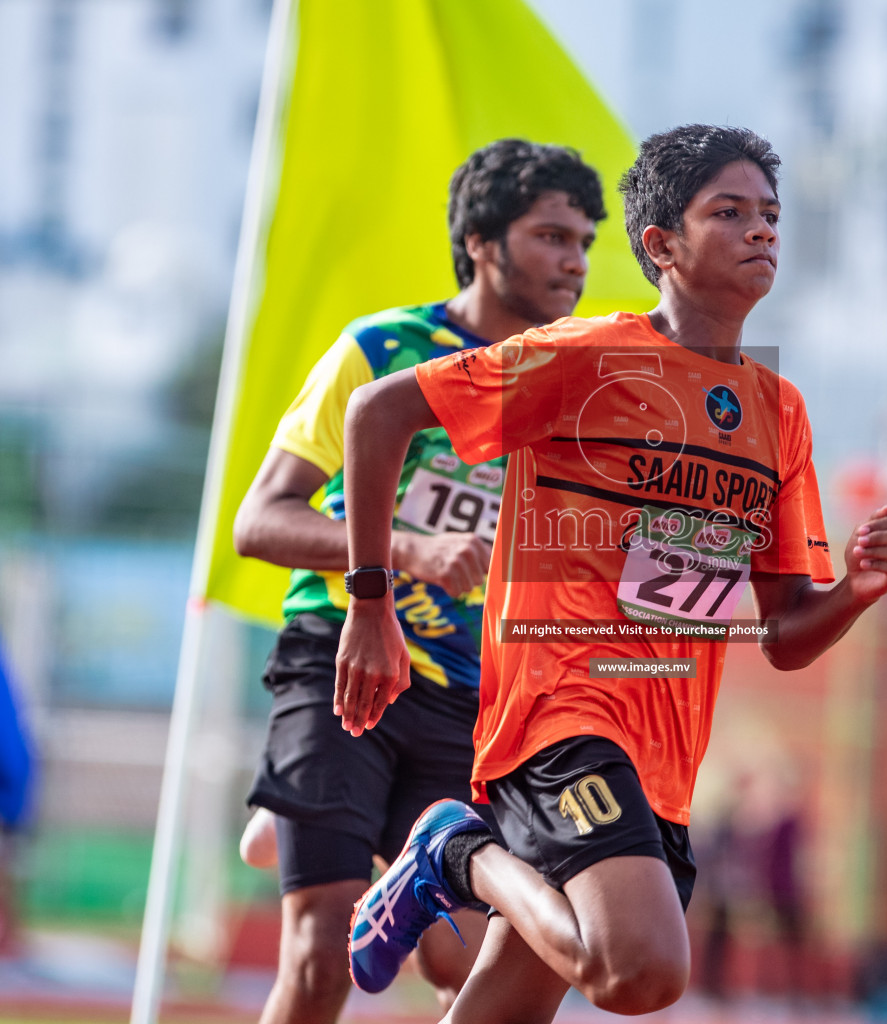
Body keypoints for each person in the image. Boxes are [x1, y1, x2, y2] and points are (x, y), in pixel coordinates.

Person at [336, 124, 887, 1021]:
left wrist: (856, 596)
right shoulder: (583, 355)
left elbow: (786, 630)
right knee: (640, 969)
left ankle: (459, 858)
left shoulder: (778, 411)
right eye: (730, 212)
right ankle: (454, 853)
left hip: (665, 754)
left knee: (504, 1011)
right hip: (560, 711)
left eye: (771, 214)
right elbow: (377, 414)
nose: (762, 231)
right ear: (662, 245)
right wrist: (370, 604)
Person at [232, 138, 607, 1024]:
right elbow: (259, 522)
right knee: (322, 959)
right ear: (481, 240)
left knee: (467, 970)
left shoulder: (575, 389)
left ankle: (331, 832)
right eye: (553, 236)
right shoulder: (385, 348)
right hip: (346, 662)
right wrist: (408, 551)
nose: (575, 262)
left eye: (585, 242)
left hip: (474, 699)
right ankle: (329, 827)